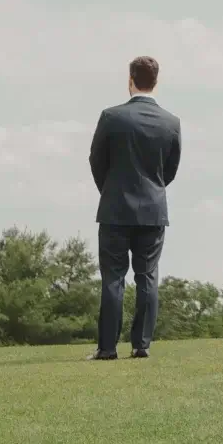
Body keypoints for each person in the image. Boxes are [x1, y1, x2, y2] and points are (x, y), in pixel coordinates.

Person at [87, 55, 183, 361]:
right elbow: (170, 170)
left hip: (115, 209)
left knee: (113, 278)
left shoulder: (111, 117)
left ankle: (107, 348)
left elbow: (96, 160)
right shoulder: (171, 123)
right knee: (148, 276)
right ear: (156, 81)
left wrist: (111, 190)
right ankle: (142, 345)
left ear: (130, 79)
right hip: (153, 210)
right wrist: (153, 190)